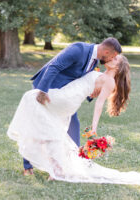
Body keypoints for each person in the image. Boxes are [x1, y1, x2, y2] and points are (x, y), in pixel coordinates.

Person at [7, 54, 140, 185]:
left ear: (118, 67)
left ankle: (48, 166)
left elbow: (98, 105)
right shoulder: (98, 71)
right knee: (50, 128)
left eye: (116, 59)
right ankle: (55, 169)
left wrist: (94, 127)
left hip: (67, 99)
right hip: (68, 95)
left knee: (31, 97)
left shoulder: (110, 81)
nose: (112, 58)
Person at [22, 38, 122, 175]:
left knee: (73, 124)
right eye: (113, 56)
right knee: (39, 126)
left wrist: (89, 94)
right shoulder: (78, 49)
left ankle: (75, 161)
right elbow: (54, 66)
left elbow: (80, 80)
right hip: (48, 90)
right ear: (106, 51)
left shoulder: (95, 61)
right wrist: (42, 91)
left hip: (64, 96)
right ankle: (27, 166)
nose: (113, 58)